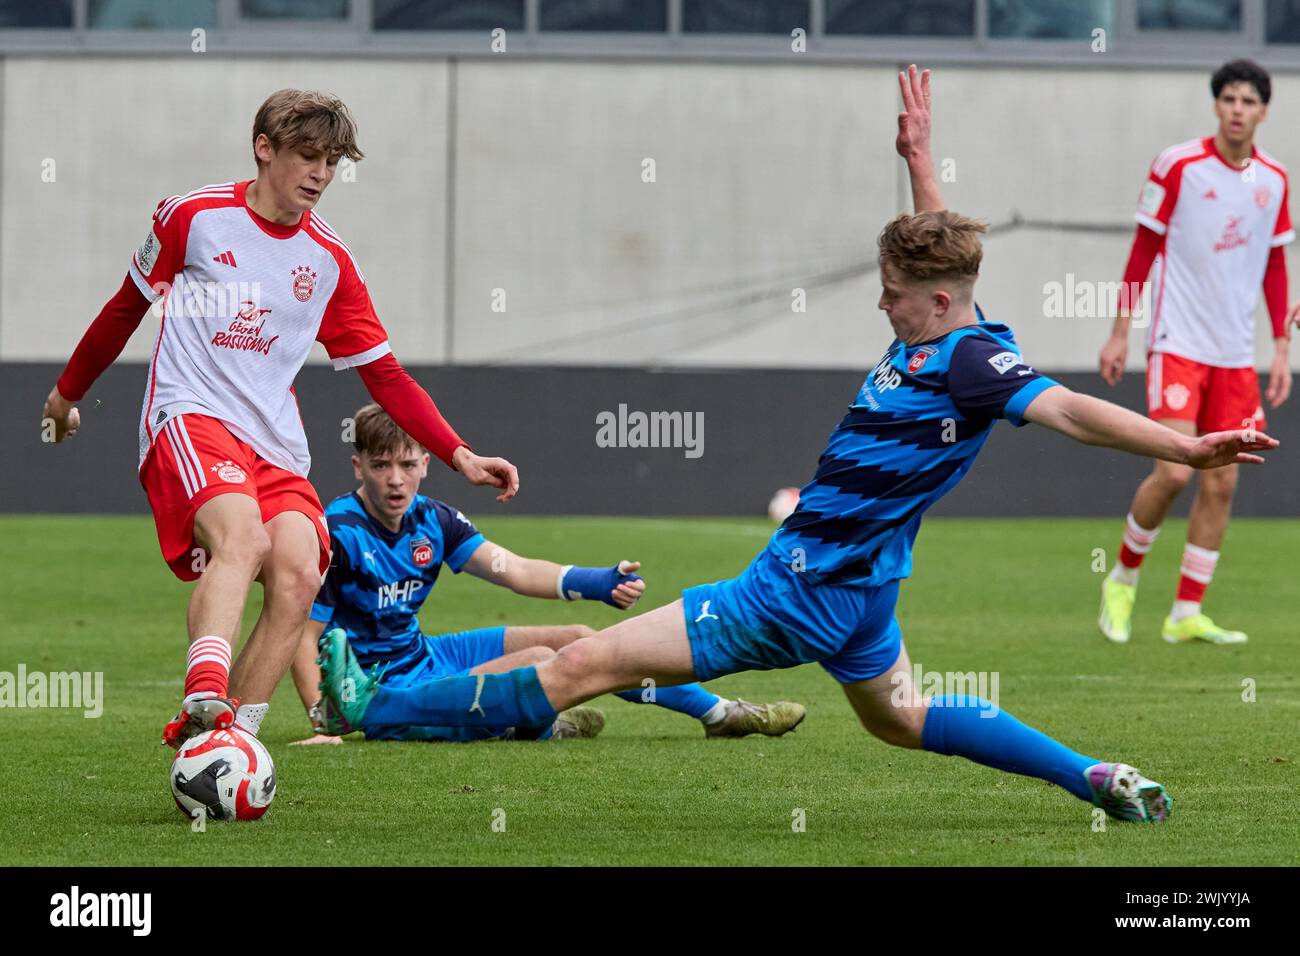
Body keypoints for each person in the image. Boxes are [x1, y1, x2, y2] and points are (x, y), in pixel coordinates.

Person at [316, 66, 1281, 824]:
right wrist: (921, 157)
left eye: (894, 294)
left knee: (583, 665)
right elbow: (945, 254)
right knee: (902, 719)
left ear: (937, 305)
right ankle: (1096, 776)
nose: (881, 302)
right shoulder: (959, 325)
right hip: (862, 595)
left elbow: (1070, 410)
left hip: (797, 589)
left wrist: (1190, 449)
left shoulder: (971, 366)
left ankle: (373, 710)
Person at [40, 89, 519, 749]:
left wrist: (459, 453)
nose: (321, 174)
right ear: (265, 148)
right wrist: (67, 395)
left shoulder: (329, 261)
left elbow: (386, 375)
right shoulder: (194, 217)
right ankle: (206, 694)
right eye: (308, 156)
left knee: (299, 569)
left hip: (275, 445)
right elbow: (125, 307)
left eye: (333, 161)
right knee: (244, 538)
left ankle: (229, 743)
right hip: (192, 417)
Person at [289, 404, 807, 744]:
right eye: (381, 466)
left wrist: (595, 582)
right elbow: (301, 635)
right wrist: (323, 721)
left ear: (426, 461)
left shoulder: (434, 519)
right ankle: (538, 726)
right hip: (383, 685)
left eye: (407, 465)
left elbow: (512, 570)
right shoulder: (337, 532)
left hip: (429, 655)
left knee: (582, 640)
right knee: (542, 662)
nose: (396, 480)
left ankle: (721, 715)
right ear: (358, 466)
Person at [1098, 59, 1293, 645]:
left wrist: (1281, 349)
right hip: (1177, 344)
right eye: (1228, 98)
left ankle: (1185, 614)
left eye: (1248, 100)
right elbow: (1143, 250)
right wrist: (1118, 331)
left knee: (1224, 484)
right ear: (1216, 105)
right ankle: (1124, 579)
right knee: (1176, 470)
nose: (1237, 108)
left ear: (1264, 110)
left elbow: (1277, 264)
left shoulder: (1275, 180)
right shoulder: (1178, 164)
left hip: (1236, 357)